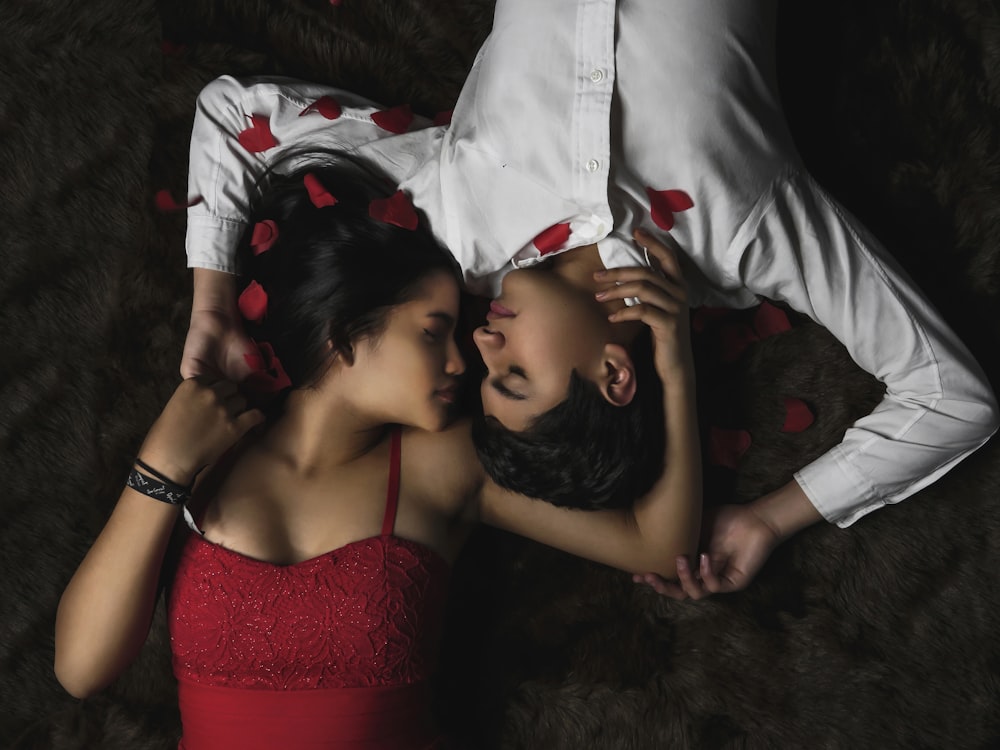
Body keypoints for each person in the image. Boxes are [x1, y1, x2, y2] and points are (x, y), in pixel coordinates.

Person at [180, 0, 998, 595]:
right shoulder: (746, 234)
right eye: (514, 378)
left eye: (479, 372)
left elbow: (234, 116)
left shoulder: (451, 222)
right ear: (616, 375)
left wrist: (213, 311)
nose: (478, 346)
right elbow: (954, 398)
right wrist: (769, 519)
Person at [54, 159, 701, 748]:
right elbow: (81, 669)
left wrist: (673, 360)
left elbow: (655, 544)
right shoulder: (206, 453)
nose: (462, 358)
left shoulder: (443, 465)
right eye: (433, 331)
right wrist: (158, 472)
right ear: (345, 334)